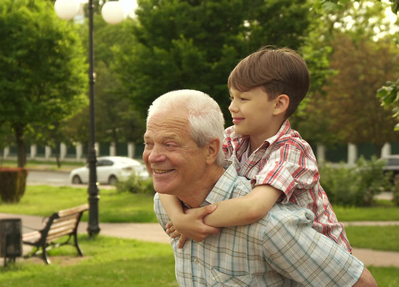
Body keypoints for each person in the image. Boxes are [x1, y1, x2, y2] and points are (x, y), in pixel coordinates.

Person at [144, 89, 376, 286]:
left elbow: (362, 284)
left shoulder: (271, 226)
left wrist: (196, 218)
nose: (153, 156)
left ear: (211, 151)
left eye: (169, 144)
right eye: (148, 143)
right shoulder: (166, 204)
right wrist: (180, 218)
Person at [159, 47, 351, 253]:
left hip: (319, 260)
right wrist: (179, 219)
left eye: (243, 99)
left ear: (278, 104)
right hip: (278, 254)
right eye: (232, 97)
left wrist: (193, 218)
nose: (232, 106)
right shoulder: (230, 139)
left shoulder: (291, 150)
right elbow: (175, 178)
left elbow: (253, 208)